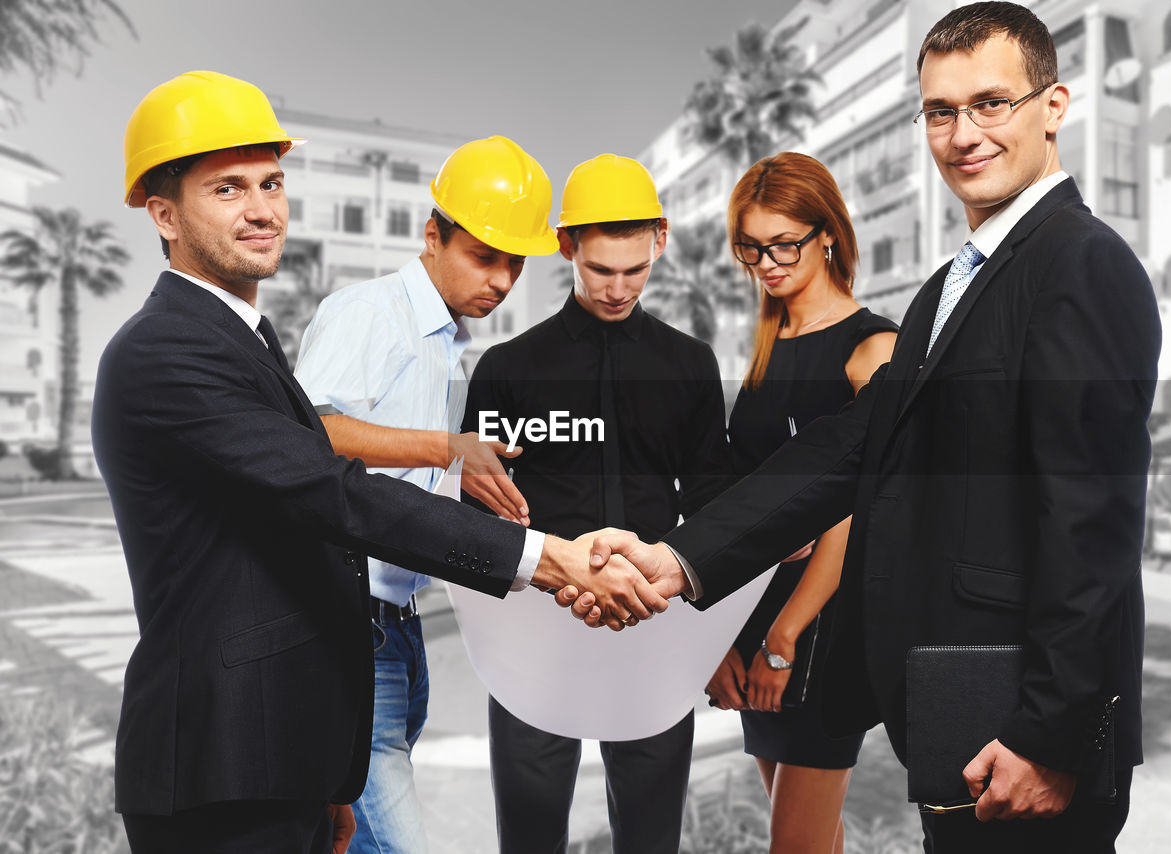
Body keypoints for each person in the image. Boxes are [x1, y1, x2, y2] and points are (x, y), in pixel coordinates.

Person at [574, 4, 1161, 852]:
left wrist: (1052, 733)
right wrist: (678, 559)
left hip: (1026, 723)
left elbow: (1092, 519)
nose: (963, 134)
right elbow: (851, 446)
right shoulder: (948, 290)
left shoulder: (1082, 263)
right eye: (939, 111)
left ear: (1053, 106)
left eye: (991, 103)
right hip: (959, 701)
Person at [95, 70, 664, 854]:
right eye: (227, 190)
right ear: (163, 214)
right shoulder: (167, 350)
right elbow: (330, 489)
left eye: (271, 182)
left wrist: (332, 773)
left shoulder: (243, 341)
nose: (262, 209)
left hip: (286, 738)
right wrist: (551, 559)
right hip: (219, 762)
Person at [461, 154, 731, 854]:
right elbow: (482, 516)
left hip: (654, 630)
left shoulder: (691, 365)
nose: (617, 288)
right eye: (600, 270)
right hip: (535, 628)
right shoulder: (506, 370)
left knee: (650, 838)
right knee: (528, 835)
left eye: (634, 270)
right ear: (566, 247)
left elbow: (707, 502)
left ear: (660, 243)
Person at [292, 135, 555, 854]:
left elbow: (391, 473)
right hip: (347, 629)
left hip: (398, 629)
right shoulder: (371, 313)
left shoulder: (447, 343)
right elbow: (311, 432)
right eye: (484, 256)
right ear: (432, 235)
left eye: (515, 263)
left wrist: (460, 477)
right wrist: (447, 448)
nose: (502, 280)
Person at [703, 152, 895, 854]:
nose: (767, 262)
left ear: (828, 235)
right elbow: (737, 503)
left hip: (825, 627)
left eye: (784, 242)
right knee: (817, 842)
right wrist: (720, 634)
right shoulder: (761, 350)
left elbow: (855, 511)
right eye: (751, 247)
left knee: (797, 848)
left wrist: (784, 639)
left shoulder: (873, 348)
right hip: (754, 614)